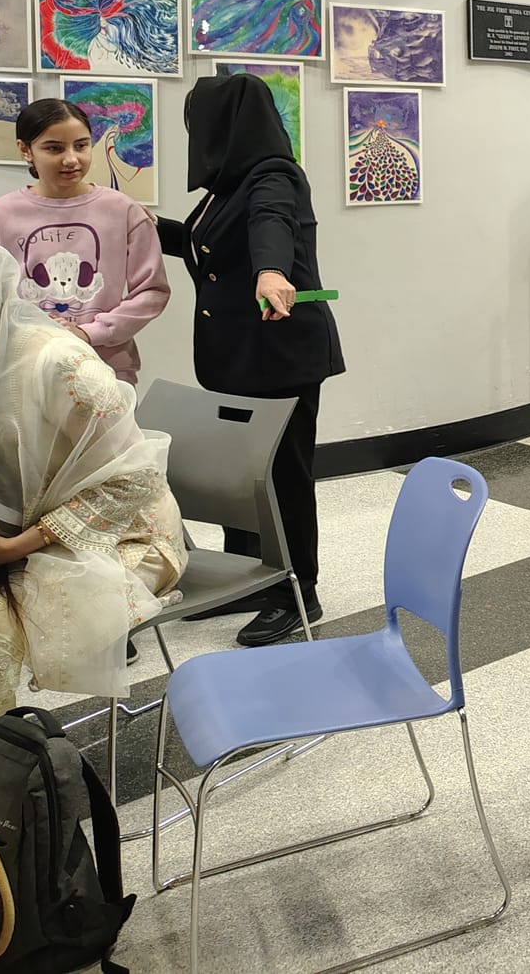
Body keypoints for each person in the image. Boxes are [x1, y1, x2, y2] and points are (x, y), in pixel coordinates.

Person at [156, 74, 344, 649]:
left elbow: (272, 223)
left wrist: (271, 270)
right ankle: (248, 579)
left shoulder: (272, 175)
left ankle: (297, 591)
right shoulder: (225, 187)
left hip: (280, 355)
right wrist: (135, 220)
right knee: (241, 474)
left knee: (282, 476)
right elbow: (201, 246)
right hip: (237, 354)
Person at [0, 240, 186, 724]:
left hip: (122, 533)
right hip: (12, 527)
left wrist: (13, 548)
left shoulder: (59, 363)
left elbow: (136, 479)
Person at [0, 98, 170, 385]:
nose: (71, 159)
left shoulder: (123, 210)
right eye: (54, 148)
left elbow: (151, 291)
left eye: (81, 145)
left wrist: (89, 332)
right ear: (25, 150)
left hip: (105, 369)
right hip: (22, 369)